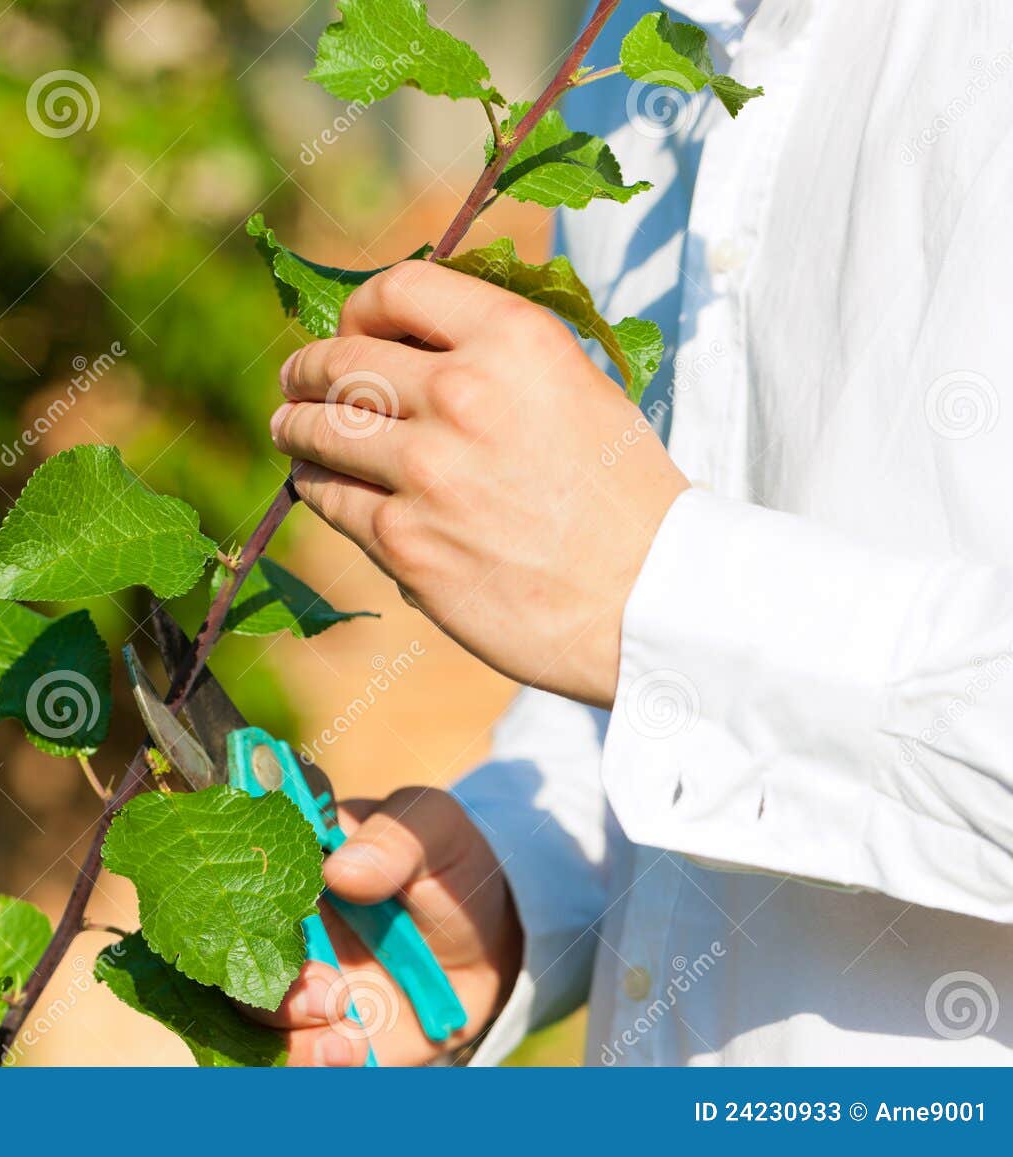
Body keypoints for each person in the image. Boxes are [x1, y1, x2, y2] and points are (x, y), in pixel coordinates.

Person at [245, 0, 1013, 1066]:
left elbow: (649, 588)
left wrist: (666, 592)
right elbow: (647, 672)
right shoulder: (631, 57)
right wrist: (519, 879)